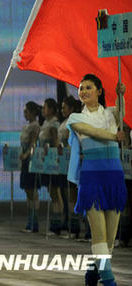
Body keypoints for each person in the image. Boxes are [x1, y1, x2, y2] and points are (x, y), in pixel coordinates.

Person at [67, 74, 127, 286]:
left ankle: (93, 271)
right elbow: (91, 131)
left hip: (114, 178)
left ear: (99, 91)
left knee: (109, 239)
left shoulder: (111, 114)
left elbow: (121, 113)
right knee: (99, 234)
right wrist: (114, 137)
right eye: (81, 88)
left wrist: (121, 96)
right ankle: (109, 280)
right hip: (91, 179)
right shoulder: (75, 118)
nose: (83, 91)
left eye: (88, 87)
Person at [58, 96, 82, 238]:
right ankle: (70, 224)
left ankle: (75, 228)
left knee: (73, 195)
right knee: (67, 195)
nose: (62, 110)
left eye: (64, 107)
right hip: (64, 161)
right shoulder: (64, 122)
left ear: (72, 109)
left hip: (74, 160)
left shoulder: (74, 122)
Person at [38, 98, 63, 235]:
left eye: (45, 107)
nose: (43, 110)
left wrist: (52, 159)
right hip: (45, 160)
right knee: (51, 191)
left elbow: (55, 142)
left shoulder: (54, 124)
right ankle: (56, 222)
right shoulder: (46, 123)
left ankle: (57, 224)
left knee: (55, 192)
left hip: (51, 161)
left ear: (52, 109)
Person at [19, 101, 41, 233]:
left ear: (33, 112)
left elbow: (33, 143)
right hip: (25, 159)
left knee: (32, 191)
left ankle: (34, 222)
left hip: (31, 160)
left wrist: (27, 154)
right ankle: (30, 221)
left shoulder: (35, 126)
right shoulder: (27, 126)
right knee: (28, 191)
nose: (24, 114)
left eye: (26, 111)